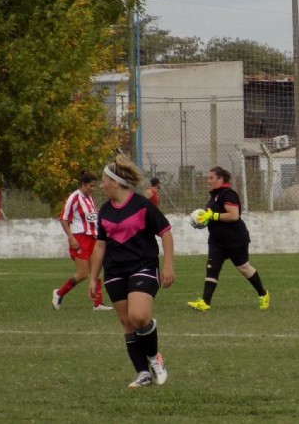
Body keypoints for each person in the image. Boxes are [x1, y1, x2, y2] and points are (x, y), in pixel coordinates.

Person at [89, 155, 174, 388]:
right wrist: (93, 278)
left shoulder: (142, 205)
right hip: (115, 270)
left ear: (115, 182)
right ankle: (142, 374)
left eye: (104, 180)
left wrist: (167, 265)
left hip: (143, 266)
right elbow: (100, 245)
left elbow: (165, 232)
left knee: (139, 316)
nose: (100, 184)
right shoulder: (104, 211)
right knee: (127, 322)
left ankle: (155, 358)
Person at [187, 166, 269, 312]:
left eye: (211, 178)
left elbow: (234, 215)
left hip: (235, 239)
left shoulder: (228, 194)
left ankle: (263, 294)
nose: (208, 181)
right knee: (212, 268)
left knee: (244, 268)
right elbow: (211, 216)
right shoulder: (215, 195)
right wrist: (202, 221)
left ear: (220, 179)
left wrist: (212, 216)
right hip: (217, 241)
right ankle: (205, 302)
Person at [52, 171, 111, 311]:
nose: (93, 189)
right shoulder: (74, 197)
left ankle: (98, 304)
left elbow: (92, 218)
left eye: (95, 186)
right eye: (90, 186)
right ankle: (59, 293)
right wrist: (71, 238)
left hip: (92, 238)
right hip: (79, 238)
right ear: (83, 184)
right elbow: (63, 219)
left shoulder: (89, 198)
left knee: (95, 270)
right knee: (82, 274)